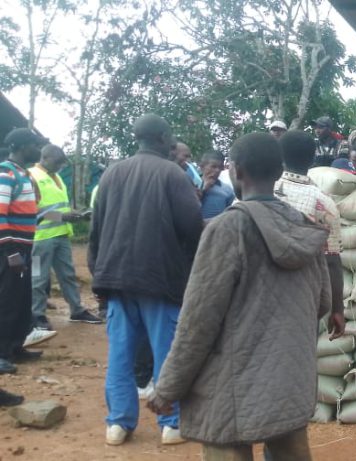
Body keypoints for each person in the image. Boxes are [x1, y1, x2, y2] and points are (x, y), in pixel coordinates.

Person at [148, 132, 331, 461]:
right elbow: (321, 303)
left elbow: (197, 323)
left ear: (236, 171)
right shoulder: (305, 228)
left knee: (225, 446)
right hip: (289, 381)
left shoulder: (227, 229)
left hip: (231, 390)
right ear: (278, 173)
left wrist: (168, 388)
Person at [90, 114, 204, 446]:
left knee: (120, 355)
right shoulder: (173, 174)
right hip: (160, 280)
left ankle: (118, 425)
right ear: (164, 137)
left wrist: (99, 277)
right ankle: (171, 424)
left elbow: (96, 231)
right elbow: (193, 228)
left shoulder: (111, 173)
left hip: (116, 279)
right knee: (166, 353)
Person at [273, 130, 346, 341]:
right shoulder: (324, 203)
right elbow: (332, 261)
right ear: (313, 158)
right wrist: (337, 310)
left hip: (259, 293)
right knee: (300, 360)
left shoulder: (262, 190)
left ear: (279, 156)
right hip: (304, 297)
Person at [29, 145, 103, 331]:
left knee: (68, 275)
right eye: (57, 161)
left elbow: (58, 207)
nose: (60, 165)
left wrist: (75, 214)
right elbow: (32, 210)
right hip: (39, 238)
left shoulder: (55, 176)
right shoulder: (32, 176)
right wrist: (62, 216)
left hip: (60, 235)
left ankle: (77, 310)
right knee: (38, 277)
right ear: (44, 157)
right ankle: (36, 315)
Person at [1, 128, 50, 378]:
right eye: (34, 144)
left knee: (21, 298)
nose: (38, 150)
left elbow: (27, 211)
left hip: (24, 245)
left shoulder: (22, 174)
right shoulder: (6, 172)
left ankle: (15, 346)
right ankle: (1, 354)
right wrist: (9, 251)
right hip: (9, 248)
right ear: (21, 146)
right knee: (7, 300)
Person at [198, 151, 235, 221]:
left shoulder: (227, 190)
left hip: (217, 229)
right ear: (202, 167)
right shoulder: (192, 184)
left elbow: (227, 212)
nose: (217, 170)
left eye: (220, 167)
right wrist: (203, 189)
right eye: (213, 166)